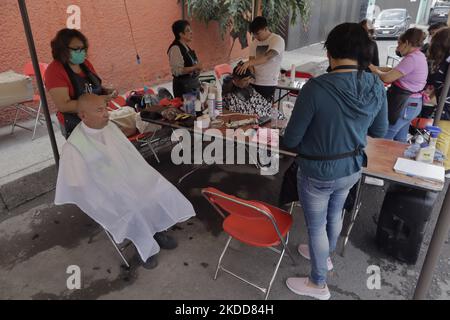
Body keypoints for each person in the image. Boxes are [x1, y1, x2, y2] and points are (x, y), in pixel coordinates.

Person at [283, 23, 388, 300]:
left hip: (317, 170)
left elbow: (291, 139)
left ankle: (318, 283)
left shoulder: (315, 88)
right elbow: (380, 131)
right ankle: (325, 256)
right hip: (352, 168)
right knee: (335, 214)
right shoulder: (376, 85)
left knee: (316, 226)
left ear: (330, 52)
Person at [54, 94, 196, 269]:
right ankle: (145, 246)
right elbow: (77, 183)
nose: (106, 113)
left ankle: (156, 231)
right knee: (133, 208)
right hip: (105, 193)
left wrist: (139, 178)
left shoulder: (109, 127)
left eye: (106, 108)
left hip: (128, 179)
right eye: (100, 110)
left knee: (160, 189)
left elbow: (129, 155)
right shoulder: (74, 145)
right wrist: (106, 186)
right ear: (83, 115)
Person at [45, 28, 117, 139]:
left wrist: (106, 91)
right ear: (62, 49)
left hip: (98, 118)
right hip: (76, 123)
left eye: (83, 48)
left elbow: (93, 87)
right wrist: (98, 101)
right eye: (77, 49)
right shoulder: (54, 71)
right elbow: (64, 105)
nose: (82, 52)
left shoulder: (85, 63)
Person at [370, 28, 428, 142]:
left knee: (385, 137)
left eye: (399, 44)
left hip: (405, 104)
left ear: (406, 43)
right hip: (412, 103)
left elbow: (388, 77)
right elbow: (394, 70)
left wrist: (374, 70)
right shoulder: (418, 56)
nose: (397, 48)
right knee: (399, 140)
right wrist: (375, 67)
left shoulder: (412, 59)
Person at [236, 16, 285, 102]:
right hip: (253, 83)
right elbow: (252, 62)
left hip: (268, 83)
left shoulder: (277, 40)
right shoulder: (254, 43)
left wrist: (247, 63)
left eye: (258, 33)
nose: (256, 36)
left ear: (266, 28)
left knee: (263, 110)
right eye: (254, 34)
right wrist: (249, 74)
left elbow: (267, 57)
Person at [428, 28, 450, 172]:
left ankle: (437, 170)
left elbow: (434, 79)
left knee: (440, 137)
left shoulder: (444, 62)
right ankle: (445, 169)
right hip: (445, 105)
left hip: (446, 108)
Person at [168, 20, 203, 99]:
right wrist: (195, 67)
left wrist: (198, 83)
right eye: (188, 30)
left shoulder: (186, 47)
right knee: (188, 110)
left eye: (190, 30)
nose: (191, 32)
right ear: (181, 34)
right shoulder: (175, 48)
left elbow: (192, 65)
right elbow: (177, 71)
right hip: (183, 88)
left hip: (192, 85)